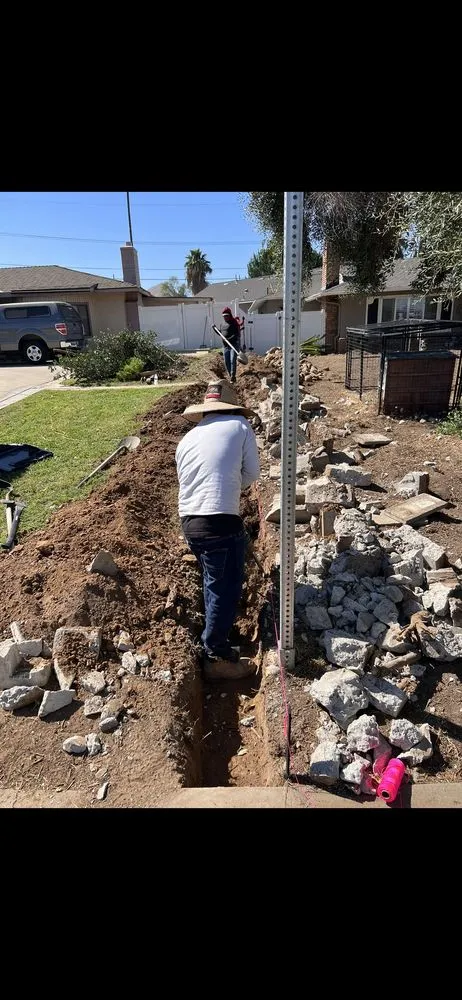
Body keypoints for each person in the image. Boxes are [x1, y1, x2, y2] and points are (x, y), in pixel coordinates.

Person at [175, 379, 260, 680]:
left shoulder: (187, 439)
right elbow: (252, 473)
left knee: (214, 581)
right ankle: (216, 654)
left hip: (190, 524)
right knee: (225, 589)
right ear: (232, 407)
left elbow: (188, 483)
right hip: (220, 523)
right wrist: (232, 483)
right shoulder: (239, 425)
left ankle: (214, 642)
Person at [220, 307, 241, 383]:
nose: (225, 317)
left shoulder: (234, 323)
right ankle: (230, 375)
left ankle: (233, 376)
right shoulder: (222, 324)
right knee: (226, 361)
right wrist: (215, 329)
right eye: (224, 316)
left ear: (230, 315)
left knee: (232, 360)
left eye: (227, 316)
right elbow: (221, 334)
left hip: (233, 345)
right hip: (225, 346)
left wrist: (229, 339)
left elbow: (237, 334)